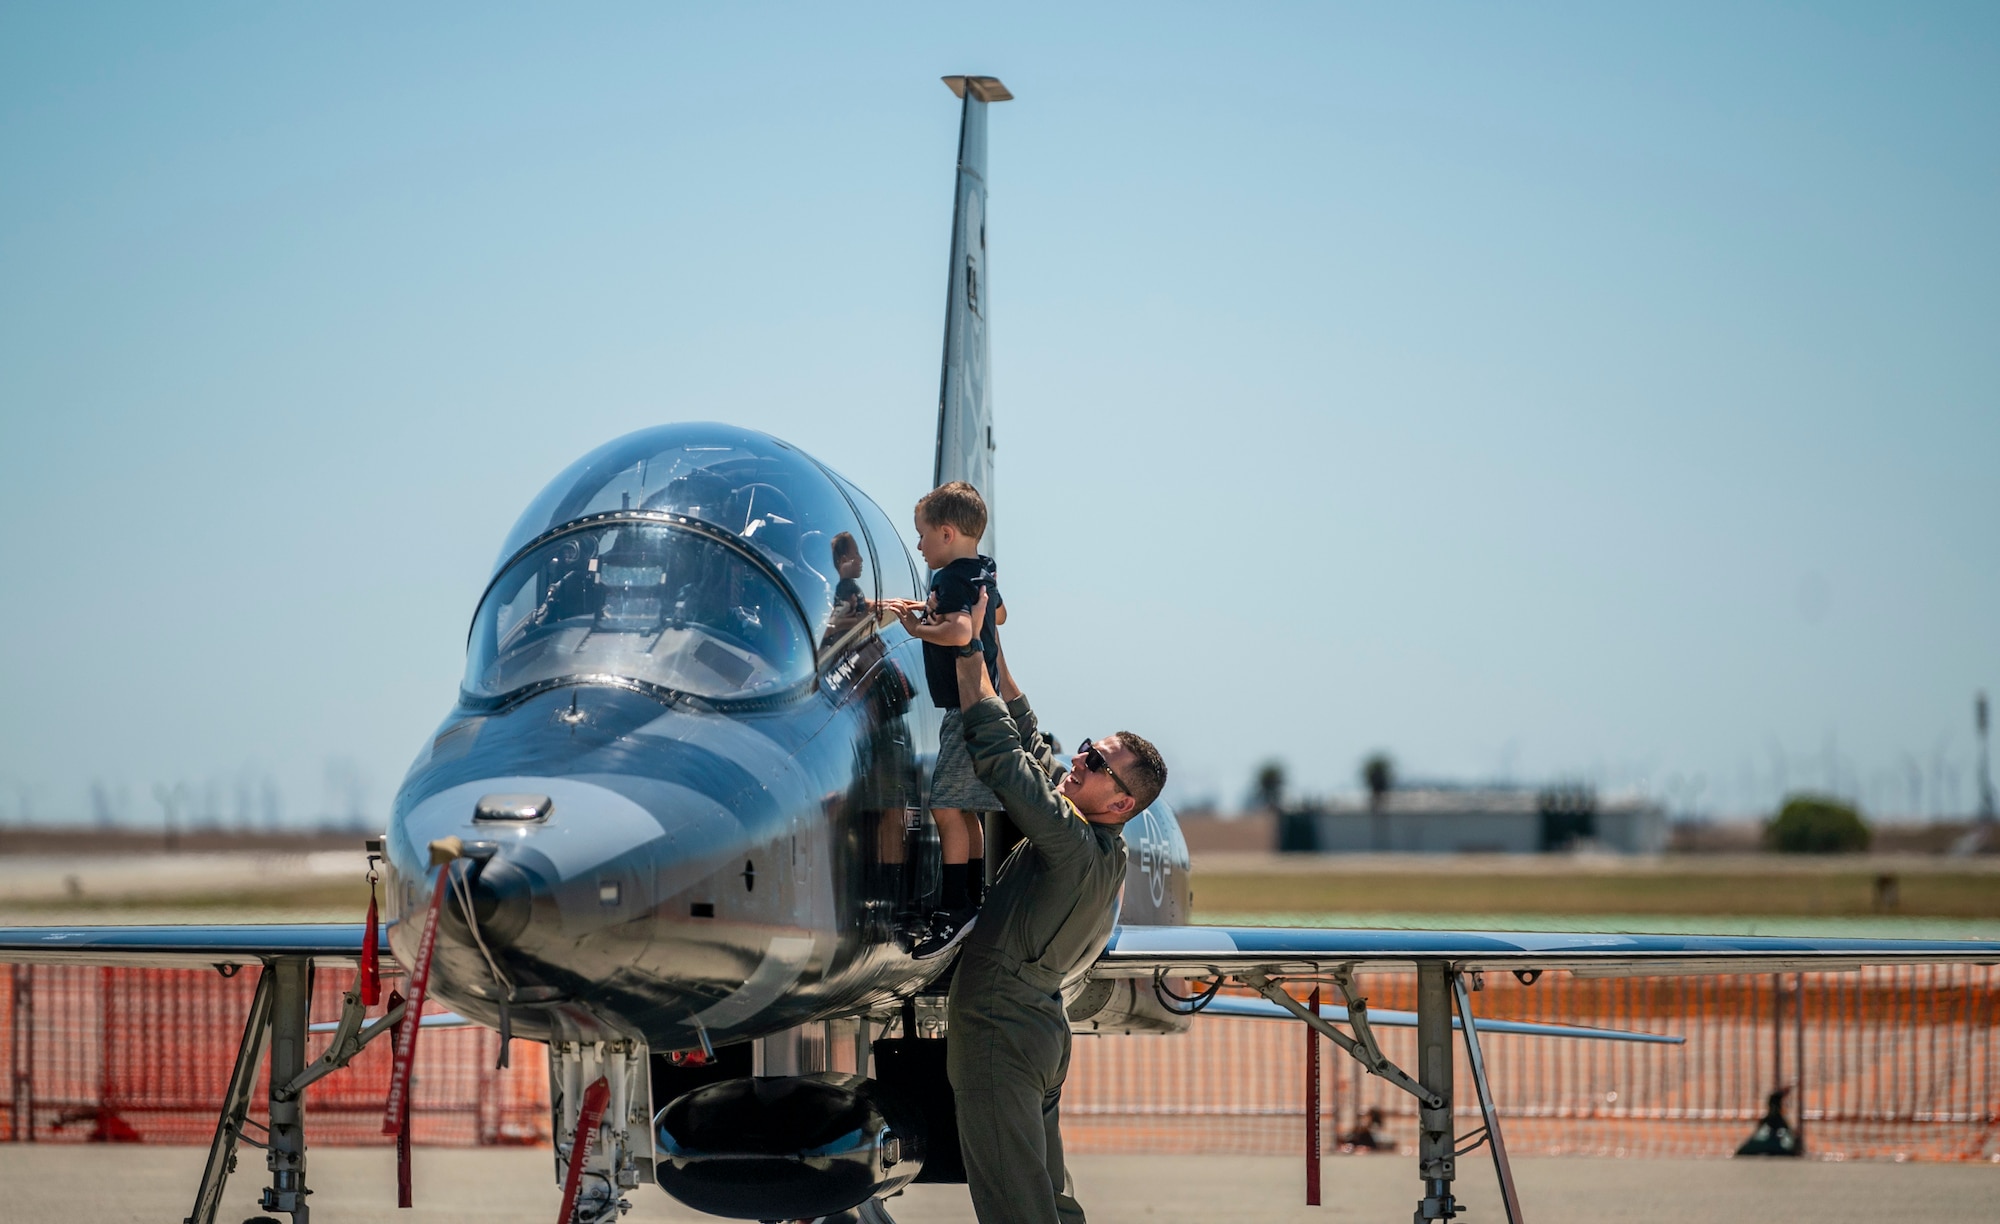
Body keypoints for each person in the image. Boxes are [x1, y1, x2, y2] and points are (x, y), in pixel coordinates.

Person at [945, 585, 1167, 1224]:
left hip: (999, 1033)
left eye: (1096, 762)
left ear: (1121, 801)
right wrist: (992, 645)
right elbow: (1034, 744)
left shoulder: (1071, 842)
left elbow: (1005, 762)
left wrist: (963, 652)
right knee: (1048, 1200)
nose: (1079, 758)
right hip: (1038, 1029)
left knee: (1017, 1208)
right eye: (1088, 748)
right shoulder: (1106, 849)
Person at [882, 481, 1004, 959]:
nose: (919, 545)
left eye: (923, 535)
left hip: (963, 707)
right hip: (983, 708)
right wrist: (927, 610)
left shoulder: (948, 578)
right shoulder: (981, 572)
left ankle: (955, 910)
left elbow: (960, 630)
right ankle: (970, 902)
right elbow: (998, 615)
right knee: (965, 810)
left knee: (946, 809)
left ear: (947, 534)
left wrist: (917, 627)